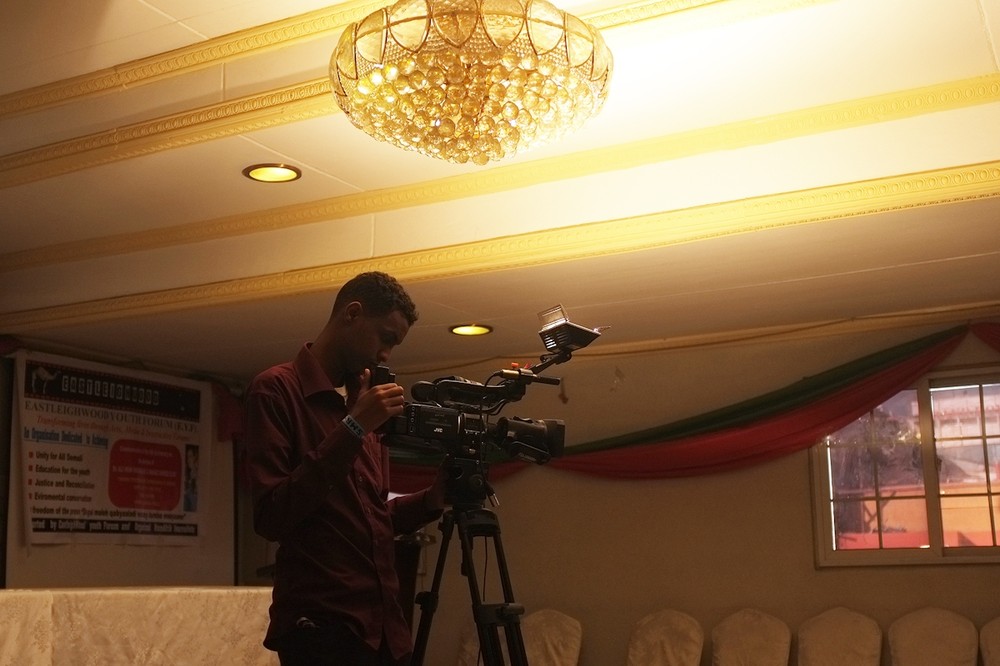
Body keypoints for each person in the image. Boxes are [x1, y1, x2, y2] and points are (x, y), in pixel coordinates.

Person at [243, 271, 447, 666]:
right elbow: (271, 516)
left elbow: (368, 518)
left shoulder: (364, 399)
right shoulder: (276, 389)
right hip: (322, 630)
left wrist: (430, 501)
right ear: (352, 314)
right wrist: (353, 428)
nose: (386, 354)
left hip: (385, 628)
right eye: (386, 337)